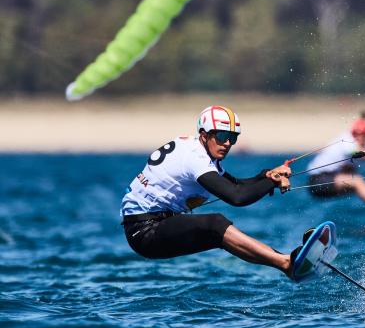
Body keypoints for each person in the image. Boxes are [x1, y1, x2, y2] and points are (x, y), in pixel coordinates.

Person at [121, 105, 308, 280]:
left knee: (216, 229)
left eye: (232, 138)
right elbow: (237, 197)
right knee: (215, 224)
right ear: (204, 134)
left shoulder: (199, 152)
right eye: (221, 136)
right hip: (144, 231)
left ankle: (287, 261)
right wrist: (270, 182)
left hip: (157, 224)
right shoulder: (195, 158)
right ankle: (287, 264)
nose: (227, 143)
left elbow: (235, 184)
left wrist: (266, 176)